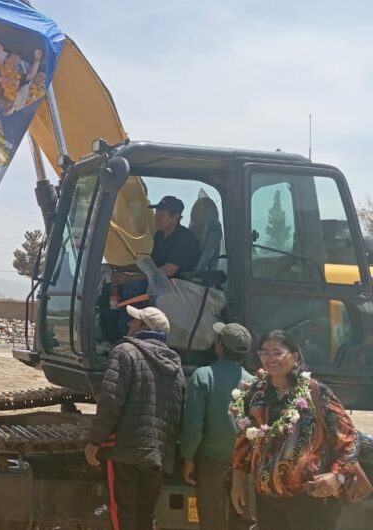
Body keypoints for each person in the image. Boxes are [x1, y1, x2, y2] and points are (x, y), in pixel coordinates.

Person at [230, 330, 367, 530]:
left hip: (311, 497)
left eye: (277, 352)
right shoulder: (255, 394)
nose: (270, 358)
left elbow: (349, 437)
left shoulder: (316, 392)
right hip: (267, 497)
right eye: (265, 352)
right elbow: (243, 443)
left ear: (294, 356)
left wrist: (337, 477)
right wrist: (237, 484)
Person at [85, 305, 185, 530]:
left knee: (123, 516)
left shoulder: (124, 352)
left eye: (135, 321)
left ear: (144, 326)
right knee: (145, 516)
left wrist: (94, 442)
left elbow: (110, 402)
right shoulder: (176, 365)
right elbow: (179, 412)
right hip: (158, 454)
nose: (129, 324)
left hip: (124, 451)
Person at [180, 323, 254, 530]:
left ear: (219, 346)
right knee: (241, 518)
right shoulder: (254, 382)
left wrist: (188, 458)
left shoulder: (203, 376)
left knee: (211, 519)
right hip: (243, 465)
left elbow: (194, 424)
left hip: (210, 463)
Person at [110, 195, 202, 335]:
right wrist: (121, 268)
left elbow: (167, 271)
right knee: (110, 286)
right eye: (156, 214)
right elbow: (151, 265)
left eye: (161, 215)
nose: (156, 218)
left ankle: (125, 334)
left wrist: (130, 278)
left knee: (131, 286)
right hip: (158, 281)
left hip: (176, 285)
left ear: (175, 217)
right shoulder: (160, 235)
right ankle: (109, 331)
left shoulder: (184, 239)